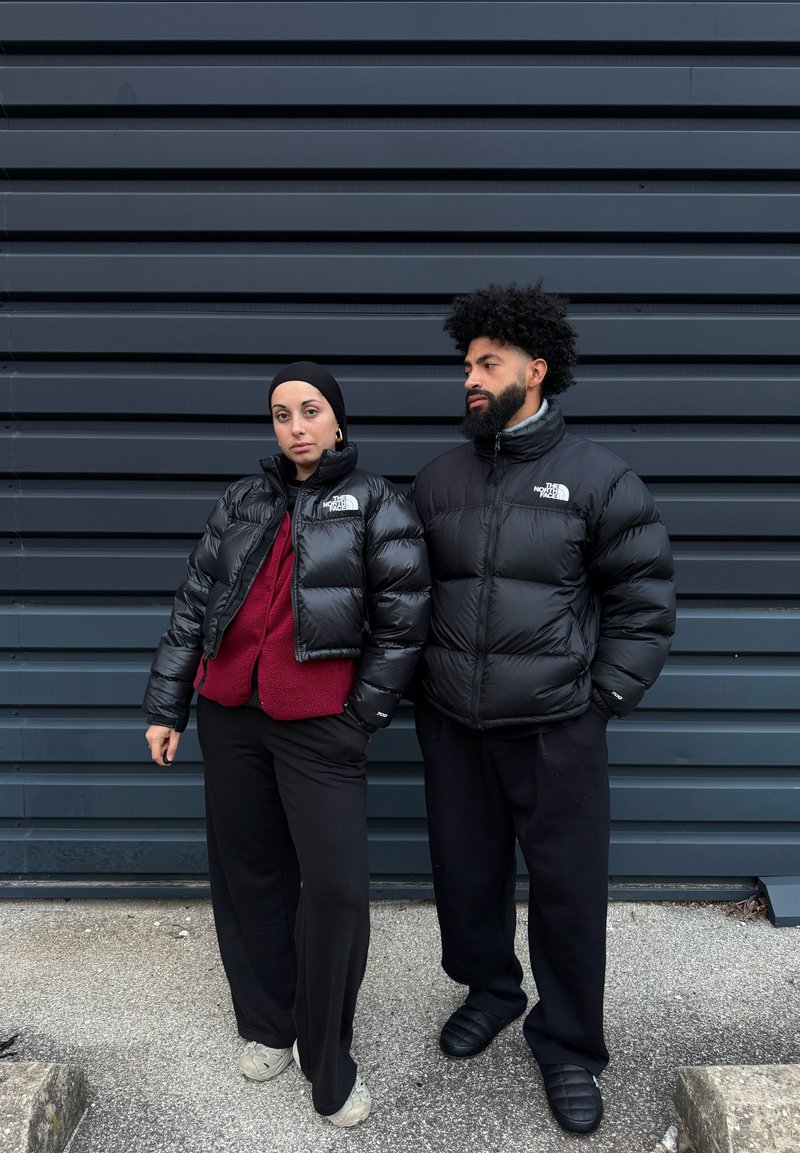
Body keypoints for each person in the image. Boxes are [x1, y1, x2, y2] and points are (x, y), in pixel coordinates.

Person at [411, 284, 675, 1135]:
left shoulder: (599, 477)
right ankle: (490, 989)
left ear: (537, 368)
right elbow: (405, 597)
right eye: (466, 366)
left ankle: (566, 1044)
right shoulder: (438, 478)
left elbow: (643, 599)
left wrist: (603, 700)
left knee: (566, 894)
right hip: (456, 724)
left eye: (488, 364)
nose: (471, 380)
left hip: (558, 728)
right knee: (465, 875)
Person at [143, 362, 429, 1128]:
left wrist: (358, 714)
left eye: (310, 410)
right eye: (280, 413)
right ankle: (269, 1023)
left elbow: (404, 623)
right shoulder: (243, 498)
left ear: (337, 420)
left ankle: (327, 1054)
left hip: (319, 724)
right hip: (230, 715)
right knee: (250, 876)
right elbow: (194, 603)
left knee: (335, 887)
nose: (295, 425)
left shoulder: (377, 503)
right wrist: (168, 703)